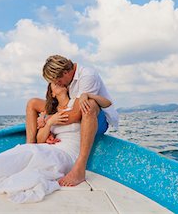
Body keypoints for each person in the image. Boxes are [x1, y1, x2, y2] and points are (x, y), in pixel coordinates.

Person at [0, 83, 112, 203]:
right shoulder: (50, 113)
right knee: (23, 160)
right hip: (51, 149)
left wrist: (87, 94)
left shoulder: (77, 103)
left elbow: (107, 103)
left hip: (68, 155)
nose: (57, 83)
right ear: (51, 93)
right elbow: (39, 140)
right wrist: (50, 122)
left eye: (59, 81)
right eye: (53, 83)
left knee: (32, 154)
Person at [25, 55, 118, 187]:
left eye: (58, 80)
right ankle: (29, 146)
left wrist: (48, 120)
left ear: (66, 72)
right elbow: (64, 106)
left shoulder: (87, 76)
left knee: (89, 105)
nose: (59, 84)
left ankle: (80, 167)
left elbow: (75, 115)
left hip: (99, 120)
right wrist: (47, 126)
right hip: (70, 111)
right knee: (32, 103)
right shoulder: (66, 81)